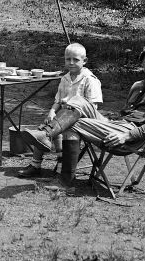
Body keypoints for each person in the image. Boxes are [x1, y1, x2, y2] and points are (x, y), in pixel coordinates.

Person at [21, 42, 145, 189]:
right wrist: (109, 122)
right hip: (118, 125)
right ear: (142, 62)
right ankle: (46, 134)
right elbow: (126, 113)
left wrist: (127, 135)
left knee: (72, 124)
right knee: (78, 100)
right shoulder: (138, 85)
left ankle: (64, 179)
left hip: (131, 137)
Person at [17, 43, 102, 180]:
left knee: (59, 130)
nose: (71, 63)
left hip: (82, 118)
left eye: (76, 60)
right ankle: (36, 165)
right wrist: (51, 111)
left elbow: (93, 107)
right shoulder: (65, 78)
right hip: (62, 117)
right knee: (46, 126)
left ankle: (62, 163)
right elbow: (58, 100)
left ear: (84, 61)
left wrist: (72, 109)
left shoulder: (89, 79)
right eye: (68, 59)